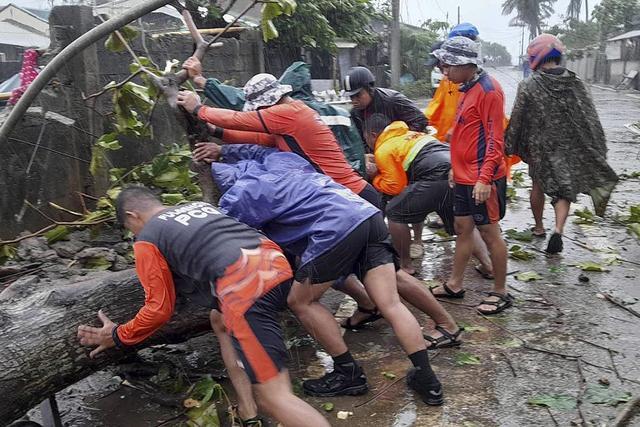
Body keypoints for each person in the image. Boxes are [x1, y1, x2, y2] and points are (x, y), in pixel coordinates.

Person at [207, 143, 448, 403]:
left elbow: (225, 238)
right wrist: (225, 150)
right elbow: (258, 153)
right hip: (365, 214)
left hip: (334, 229)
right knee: (389, 302)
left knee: (301, 301)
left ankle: (348, 373)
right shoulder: (283, 162)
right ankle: (428, 380)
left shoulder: (239, 195)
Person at [77, 187, 330, 427]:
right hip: (277, 265)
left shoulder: (147, 239)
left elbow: (159, 309)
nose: (134, 234)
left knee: (274, 397)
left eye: (129, 227)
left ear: (133, 216)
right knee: (219, 319)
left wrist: (118, 335)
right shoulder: (200, 206)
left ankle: (259, 404)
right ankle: (246, 409)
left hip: (244, 288)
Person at [505, 34, 619, 254]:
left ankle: (539, 227)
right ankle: (557, 229)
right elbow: (590, 117)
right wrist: (597, 145)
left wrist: (509, 143)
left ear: (536, 57)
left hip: (540, 147)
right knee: (563, 191)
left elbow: (518, 118)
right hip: (570, 146)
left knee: (537, 184)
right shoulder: (577, 84)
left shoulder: (528, 85)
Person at [429, 36, 512, 315]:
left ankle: (500, 291)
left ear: (466, 65)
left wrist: (485, 178)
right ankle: (455, 284)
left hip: (481, 178)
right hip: (465, 176)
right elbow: (463, 133)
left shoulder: (490, 91)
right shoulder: (466, 88)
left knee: (490, 233)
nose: (444, 71)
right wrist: (455, 166)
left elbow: (494, 140)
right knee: (463, 228)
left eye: (448, 66)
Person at [362, 114, 493, 287]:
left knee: (395, 212)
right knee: (461, 225)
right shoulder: (411, 135)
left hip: (436, 176)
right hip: (457, 172)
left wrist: (375, 177)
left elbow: (394, 187)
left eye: (366, 139)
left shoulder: (383, 148)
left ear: (372, 135)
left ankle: (405, 266)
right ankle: (488, 266)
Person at [181, 57, 367, 176]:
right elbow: (258, 138)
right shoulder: (300, 111)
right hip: (350, 181)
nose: (258, 112)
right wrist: (218, 132)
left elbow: (238, 117)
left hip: (342, 190)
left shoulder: (288, 114)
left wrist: (198, 108)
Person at [343, 65, 427, 259]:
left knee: (410, 199)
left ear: (370, 88)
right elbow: (358, 138)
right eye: (351, 97)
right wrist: (366, 156)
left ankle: (418, 240)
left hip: (404, 157)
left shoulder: (393, 100)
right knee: (378, 197)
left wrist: (396, 143)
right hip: (379, 160)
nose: (354, 100)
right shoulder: (355, 113)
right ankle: (383, 237)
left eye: (358, 95)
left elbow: (421, 121)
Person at [425, 23, 479, 143]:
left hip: (468, 142)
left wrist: (455, 128)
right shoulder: (449, 80)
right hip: (450, 140)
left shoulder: (483, 87)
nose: (444, 71)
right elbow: (436, 106)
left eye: (446, 65)